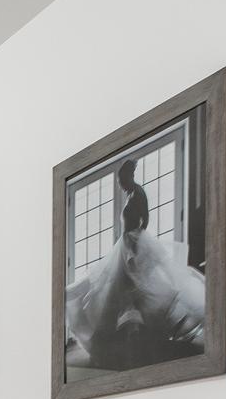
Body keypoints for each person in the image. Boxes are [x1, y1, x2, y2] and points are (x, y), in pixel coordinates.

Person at [66, 157, 205, 371]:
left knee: (131, 290)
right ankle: (118, 339)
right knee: (113, 290)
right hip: (126, 244)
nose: (121, 185)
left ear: (129, 176)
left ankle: (135, 339)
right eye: (119, 181)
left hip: (134, 244)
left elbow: (144, 219)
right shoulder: (131, 193)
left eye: (122, 180)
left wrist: (135, 245)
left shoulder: (138, 193)